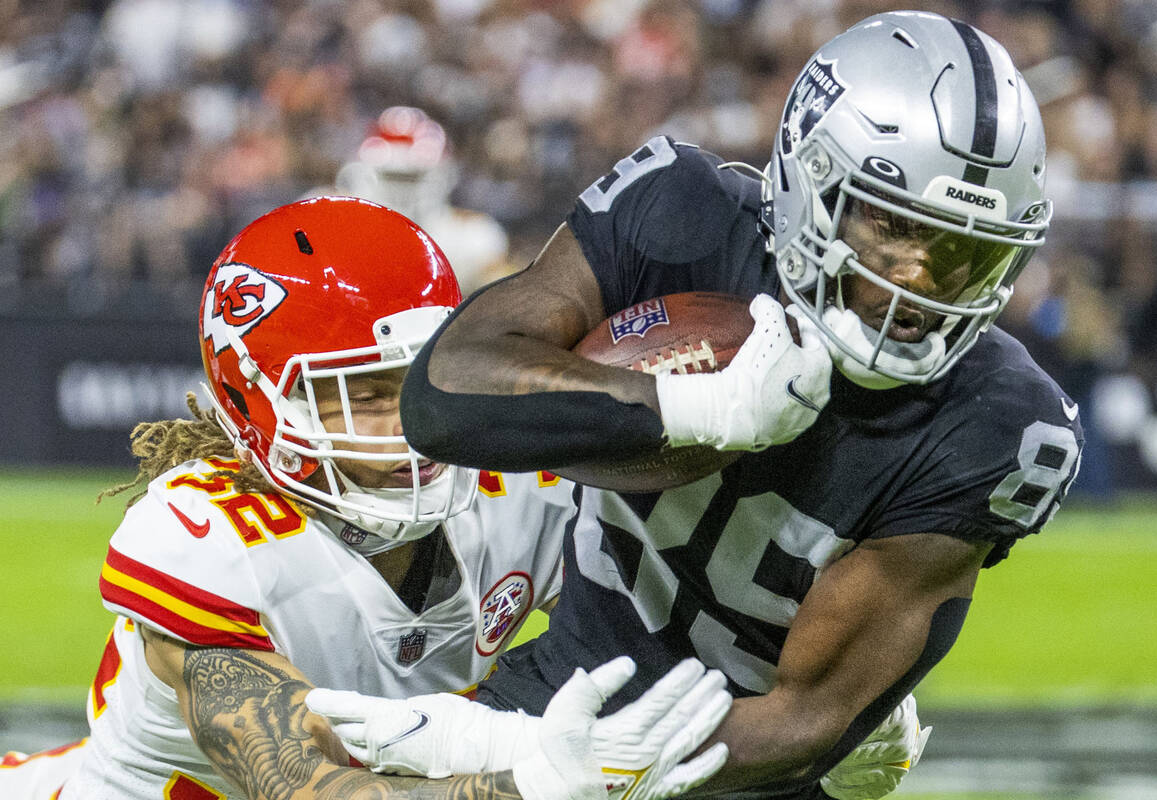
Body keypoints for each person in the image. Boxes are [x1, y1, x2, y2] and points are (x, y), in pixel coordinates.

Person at [367, 11, 1084, 799]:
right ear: (810, 176)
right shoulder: (685, 218)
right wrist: (689, 408)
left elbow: (802, 722)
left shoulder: (998, 422)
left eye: (961, 252)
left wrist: (590, 765)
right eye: (891, 224)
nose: (917, 281)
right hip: (563, 688)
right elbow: (443, 394)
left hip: (740, 772)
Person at [0, 196, 734, 800]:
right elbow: (305, 785)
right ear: (252, 403)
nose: (407, 427)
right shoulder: (212, 541)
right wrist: (525, 782)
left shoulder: (512, 481)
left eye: (417, 382)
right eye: (358, 396)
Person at [333, 106, 517, 294]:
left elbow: (506, 302)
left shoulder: (472, 236)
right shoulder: (335, 223)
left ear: (443, 176)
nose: (400, 191)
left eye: (411, 178)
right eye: (392, 177)